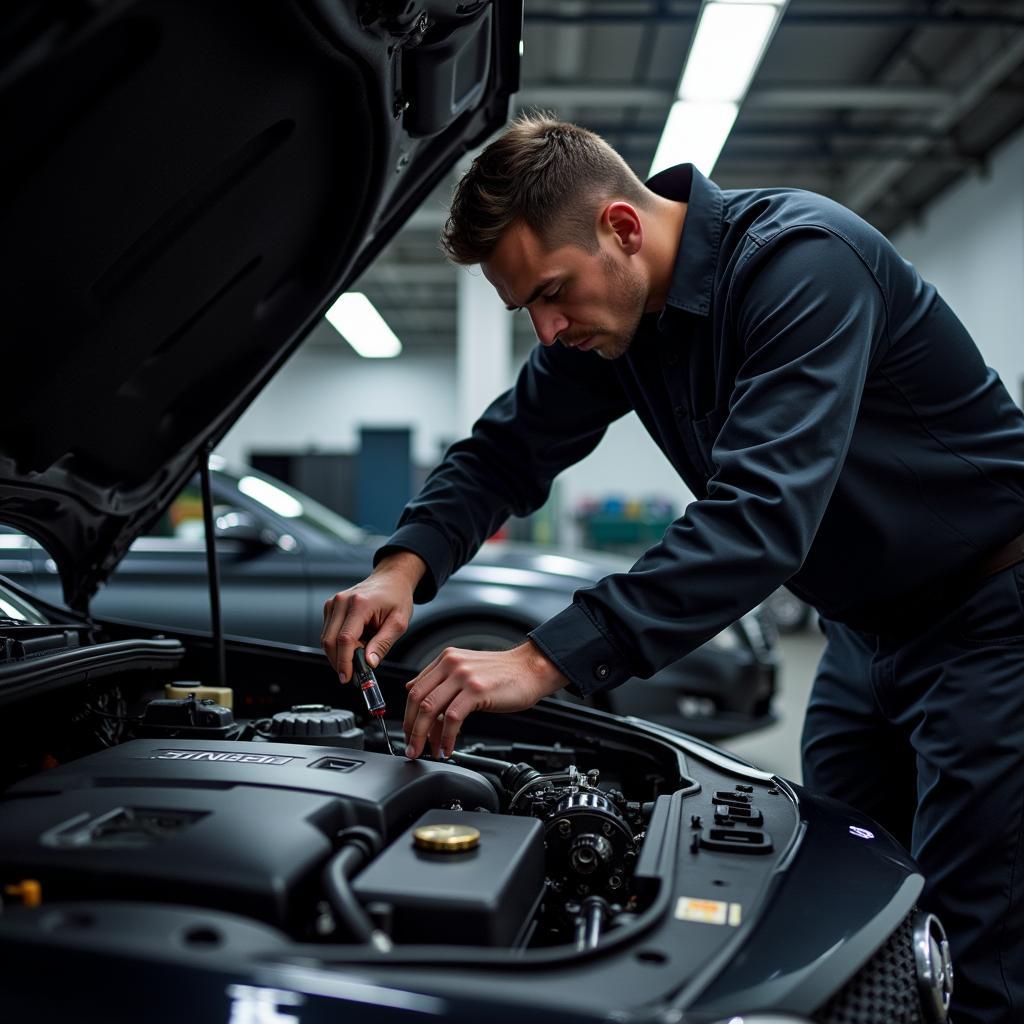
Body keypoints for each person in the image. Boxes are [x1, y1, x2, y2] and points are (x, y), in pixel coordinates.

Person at [321, 113, 1024, 1023]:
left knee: (977, 948)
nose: (546, 327)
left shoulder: (803, 264)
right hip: (864, 634)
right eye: (525, 308)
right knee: (843, 910)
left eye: (551, 292)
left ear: (621, 226)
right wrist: (403, 568)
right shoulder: (617, 319)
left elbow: (759, 520)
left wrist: (543, 660)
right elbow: (504, 452)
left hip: (991, 616)